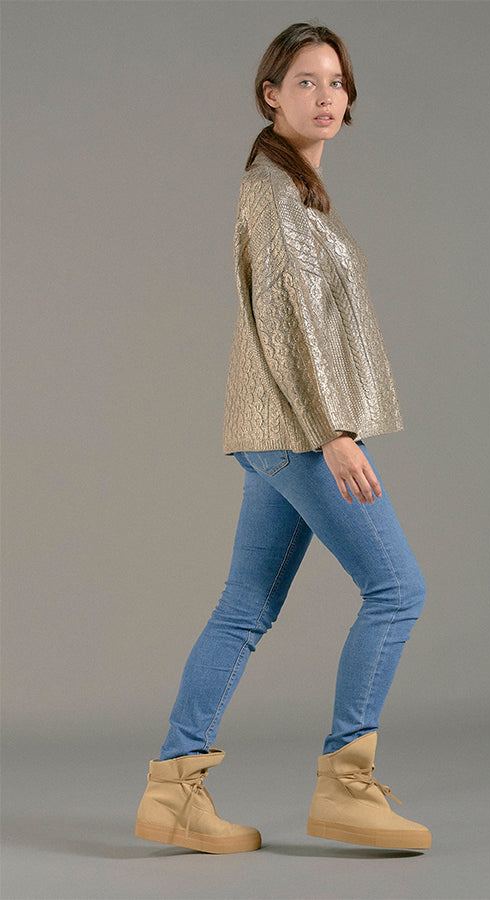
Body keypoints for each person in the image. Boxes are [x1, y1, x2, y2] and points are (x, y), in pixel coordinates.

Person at [135, 21, 430, 854]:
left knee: (244, 607)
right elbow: (292, 322)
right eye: (305, 81)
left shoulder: (290, 191)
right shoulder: (274, 194)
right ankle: (346, 786)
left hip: (274, 430)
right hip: (300, 432)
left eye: (336, 81)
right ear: (271, 95)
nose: (326, 96)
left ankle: (174, 792)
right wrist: (334, 431)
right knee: (397, 590)